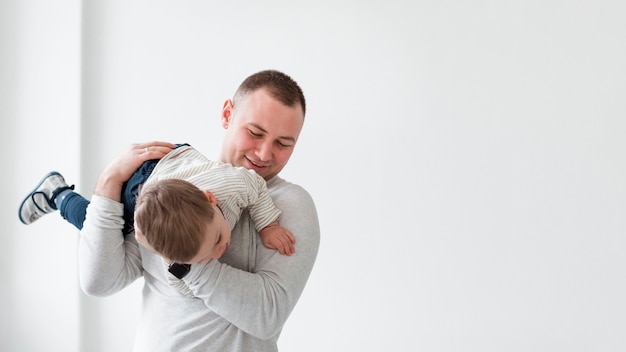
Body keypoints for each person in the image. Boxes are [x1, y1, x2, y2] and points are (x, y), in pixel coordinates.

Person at [69, 70, 319, 351]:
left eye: (283, 143)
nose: (263, 154)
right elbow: (99, 281)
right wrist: (109, 182)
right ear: (227, 115)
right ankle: (59, 196)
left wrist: (182, 258)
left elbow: (266, 316)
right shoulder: (174, 193)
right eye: (254, 133)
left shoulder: (289, 204)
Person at [18, 144, 297, 259]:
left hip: (172, 158)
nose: (219, 253)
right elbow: (181, 277)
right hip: (147, 185)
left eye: (216, 240)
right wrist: (146, 240)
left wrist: (268, 226)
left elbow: (257, 186)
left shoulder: (234, 184)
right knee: (107, 226)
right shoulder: (176, 243)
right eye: (213, 247)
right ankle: (58, 193)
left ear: (210, 199)